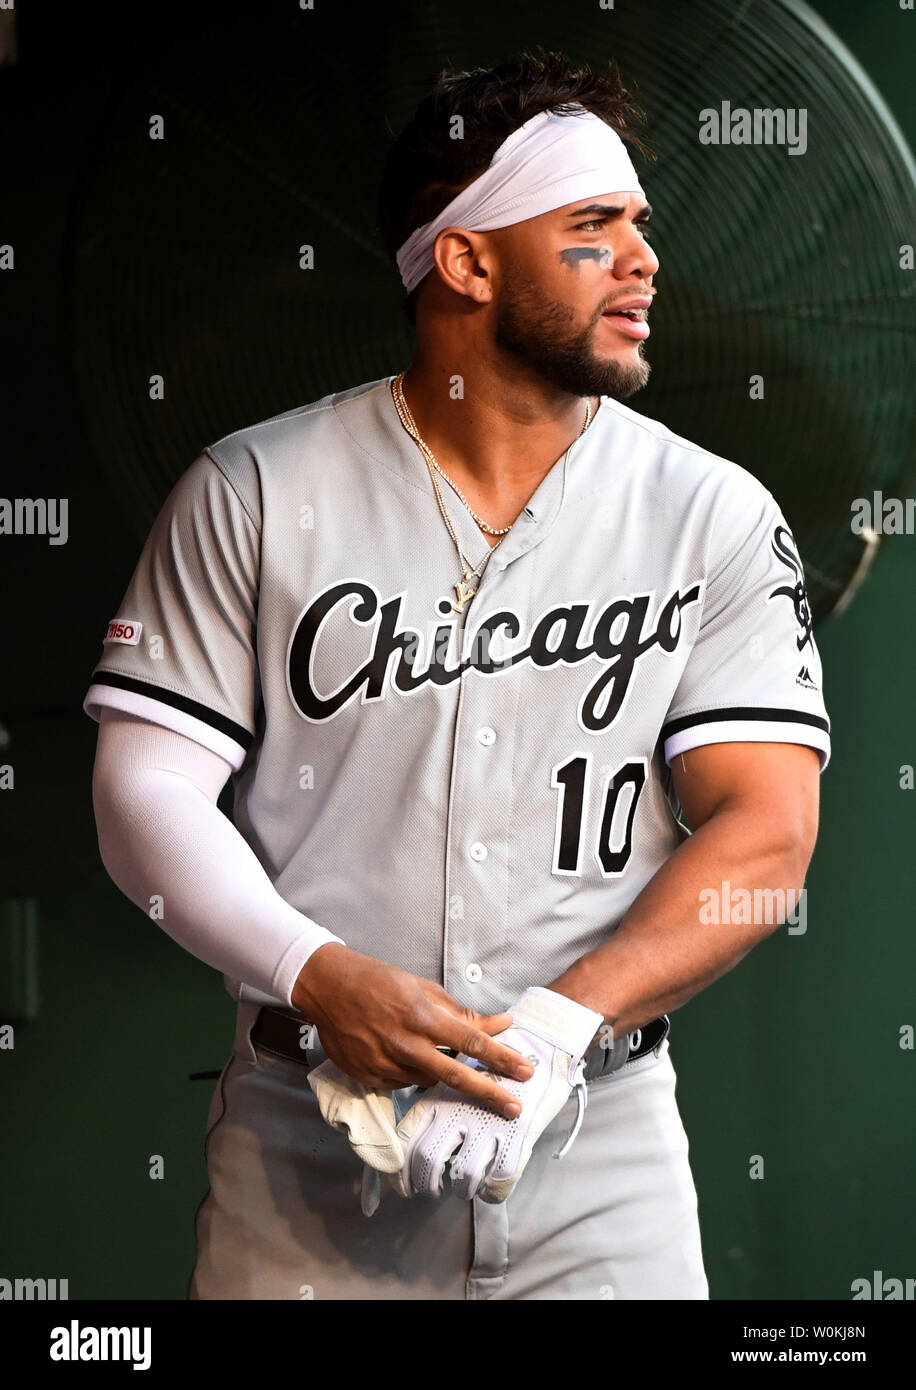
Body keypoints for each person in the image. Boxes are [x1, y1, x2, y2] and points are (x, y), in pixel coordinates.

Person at [85, 49, 829, 1300]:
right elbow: (142, 794)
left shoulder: (709, 510)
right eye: (593, 227)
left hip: (602, 1157)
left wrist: (555, 1026)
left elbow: (765, 828)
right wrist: (314, 972)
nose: (644, 260)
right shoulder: (254, 490)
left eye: (639, 226)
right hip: (307, 1143)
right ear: (469, 259)